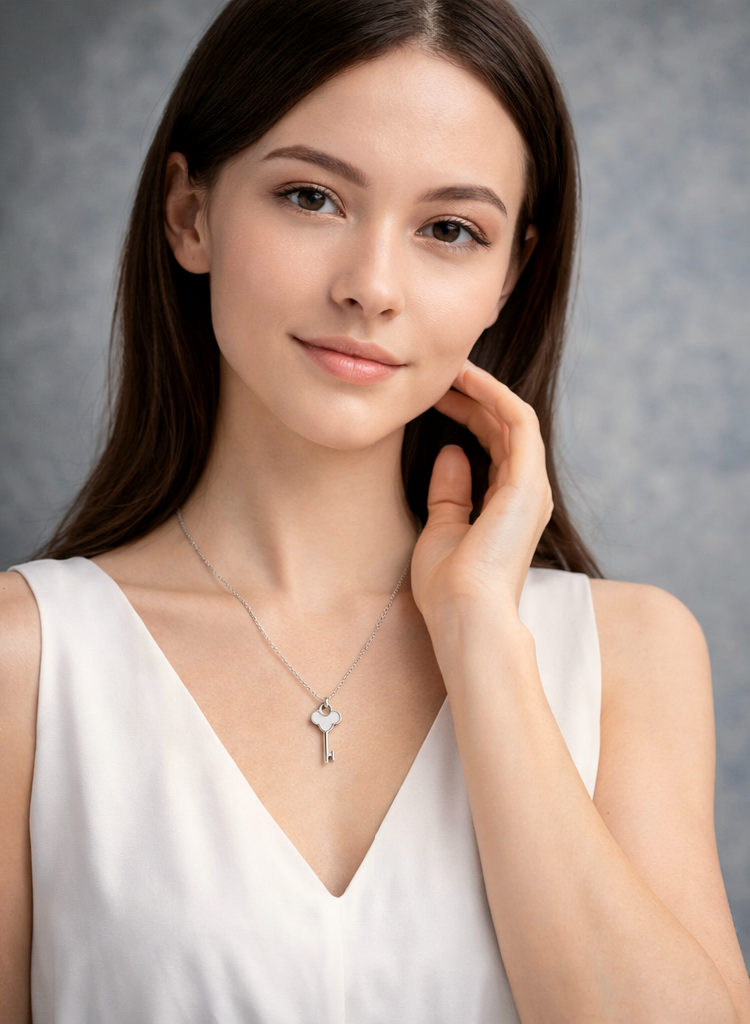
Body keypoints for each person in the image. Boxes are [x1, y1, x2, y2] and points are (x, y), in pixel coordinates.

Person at [1, 0, 748, 1020]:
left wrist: (481, 636)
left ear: (508, 278)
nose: (373, 287)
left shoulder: (632, 657)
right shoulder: (27, 661)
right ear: (190, 215)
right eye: (311, 197)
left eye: (450, 229)